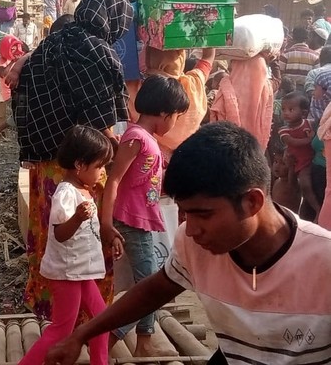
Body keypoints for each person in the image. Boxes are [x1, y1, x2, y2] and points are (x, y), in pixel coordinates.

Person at [46, 122, 331, 365]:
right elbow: (156, 289)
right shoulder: (194, 243)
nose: (190, 230)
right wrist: (81, 335)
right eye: (184, 213)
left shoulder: (323, 261)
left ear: (252, 201)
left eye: (203, 214)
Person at [10, 0, 133, 319]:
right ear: (113, 17)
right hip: (84, 166)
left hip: (47, 167)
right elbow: (101, 119)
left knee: (53, 239)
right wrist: (121, 155)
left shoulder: (48, 45)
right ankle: (90, 318)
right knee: (90, 241)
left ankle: (58, 315)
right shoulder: (96, 50)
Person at [101, 75, 190, 357]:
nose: (175, 122)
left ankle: (142, 340)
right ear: (164, 113)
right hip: (131, 221)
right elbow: (113, 179)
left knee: (148, 283)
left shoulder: (144, 138)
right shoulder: (137, 137)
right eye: (176, 115)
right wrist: (106, 223)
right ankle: (113, 340)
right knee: (149, 288)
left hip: (141, 220)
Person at [20, 126, 113, 365]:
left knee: (101, 321)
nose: (102, 173)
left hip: (80, 271)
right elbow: (60, 233)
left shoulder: (83, 189)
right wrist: (77, 218)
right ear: (80, 165)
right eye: (99, 167)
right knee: (62, 329)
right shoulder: (66, 194)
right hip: (68, 273)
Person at [210, 54, 275, 151]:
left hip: (226, 149)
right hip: (255, 151)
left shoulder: (226, 87)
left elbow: (215, 118)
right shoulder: (267, 89)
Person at [279, 91, 320, 219]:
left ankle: (317, 209)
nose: (286, 113)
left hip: (309, 161)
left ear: (303, 113)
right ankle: (312, 210)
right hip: (297, 163)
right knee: (296, 186)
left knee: (305, 185)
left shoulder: (310, 123)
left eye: (291, 109)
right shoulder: (284, 130)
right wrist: (310, 139)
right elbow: (293, 142)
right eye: (283, 109)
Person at [271, 146, 301, 213]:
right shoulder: (277, 182)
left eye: (283, 163)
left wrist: (291, 167)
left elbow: (293, 183)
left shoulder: (292, 183)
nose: (277, 166)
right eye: (275, 161)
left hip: (288, 219)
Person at [0, 35, 26, 101]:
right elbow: (2, 74)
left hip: (15, 94)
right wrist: (13, 62)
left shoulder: (16, 59)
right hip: (7, 96)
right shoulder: (3, 60)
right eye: (13, 49)